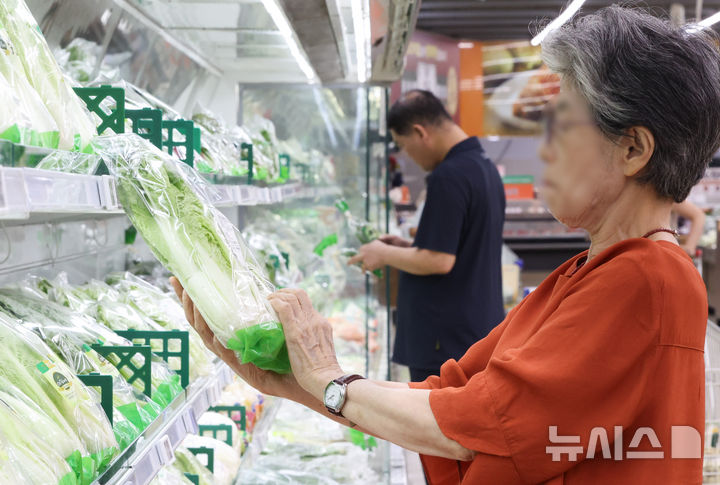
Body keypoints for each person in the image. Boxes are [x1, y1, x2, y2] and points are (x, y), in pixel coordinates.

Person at [171, 6, 720, 484]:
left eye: (562, 126)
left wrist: (328, 379)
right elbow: (448, 395)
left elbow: (480, 425)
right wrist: (296, 382)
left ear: (633, 149)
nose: (543, 151)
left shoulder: (647, 277)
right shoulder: (588, 271)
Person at [348, 89, 506, 382]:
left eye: (403, 145)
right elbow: (460, 247)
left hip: (444, 341)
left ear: (420, 133)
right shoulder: (482, 165)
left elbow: (439, 261)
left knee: (436, 409)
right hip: (470, 330)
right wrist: (408, 246)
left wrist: (382, 253)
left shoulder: (450, 175)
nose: (407, 155)